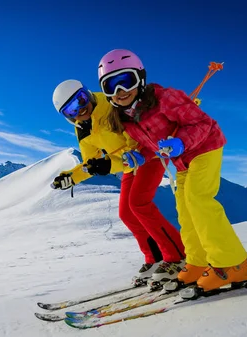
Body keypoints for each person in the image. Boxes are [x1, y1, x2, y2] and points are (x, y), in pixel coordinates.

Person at [97, 49, 247, 292]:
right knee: (184, 208)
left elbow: (202, 123)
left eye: (125, 81)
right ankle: (198, 262)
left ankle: (233, 264)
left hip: (205, 147)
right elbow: (153, 146)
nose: (120, 91)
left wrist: (180, 143)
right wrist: (140, 156)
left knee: (198, 199)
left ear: (140, 79)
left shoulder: (166, 98)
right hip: (181, 161)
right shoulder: (126, 119)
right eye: (111, 86)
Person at [51, 79, 185, 284]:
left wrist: (110, 165)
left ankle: (178, 256)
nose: (79, 109)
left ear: (87, 93)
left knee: (139, 203)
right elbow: (90, 163)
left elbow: (135, 135)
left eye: (80, 100)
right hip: (128, 163)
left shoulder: (111, 103)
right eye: (70, 110)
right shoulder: (82, 128)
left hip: (148, 154)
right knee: (126, 213)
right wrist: (72, 177)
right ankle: (155, 258)